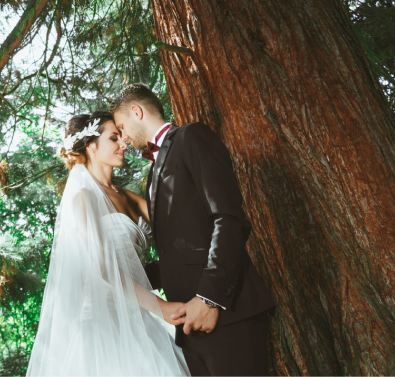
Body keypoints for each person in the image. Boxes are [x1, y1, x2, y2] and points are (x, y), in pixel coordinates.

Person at [111, 84, 277, 377]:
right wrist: (119, 278)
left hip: (227, 314)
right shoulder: (154, 172)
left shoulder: (191, 137)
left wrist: (210, 299)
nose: (123, 138)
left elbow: (229, 219)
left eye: (122, 127)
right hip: (189, 327)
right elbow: (178, 251)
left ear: (137, 111)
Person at [25, 110, 191, 377]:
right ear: (91, 146)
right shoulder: (83, 197)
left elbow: (177, 233)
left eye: (122, 137)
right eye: (114, 138)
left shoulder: (130, 198)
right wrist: (160, 307)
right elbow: (103, 268)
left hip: (138, 319)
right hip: (103, 329)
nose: (124, 143)